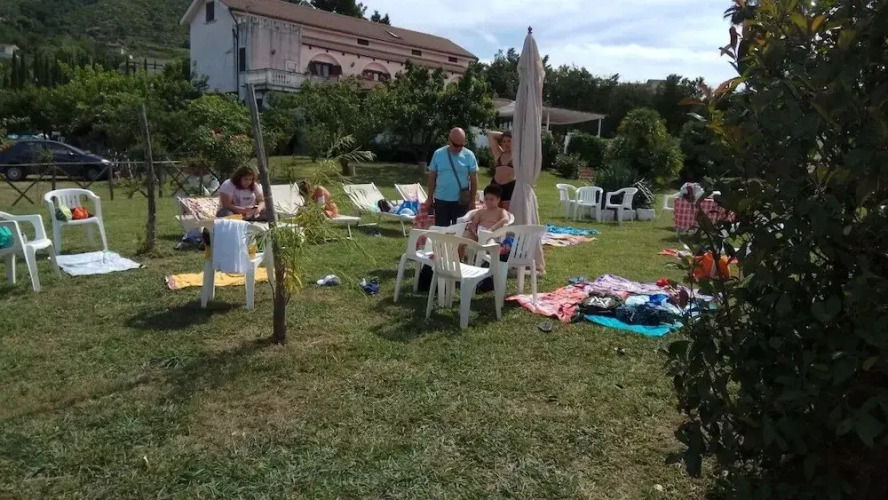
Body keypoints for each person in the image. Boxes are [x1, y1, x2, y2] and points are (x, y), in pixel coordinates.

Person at [424, 127, 478, 227]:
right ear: (449, 140)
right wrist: (429, 198)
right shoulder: (438, 154)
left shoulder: (469, 155)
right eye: (456, 145)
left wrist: (472, 200)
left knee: (459, 231)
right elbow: (432, 177)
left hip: (461, 201)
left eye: (462, 145)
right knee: (441, 230)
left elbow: (474, 180)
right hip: (441, 200)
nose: (459, 148)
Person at [487, 130, 515, 211]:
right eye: (504, 141)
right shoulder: (498, 154)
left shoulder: (517, 156)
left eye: (509, 141)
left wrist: (513, 136)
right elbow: (491, 134)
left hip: (509, 187)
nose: (506, 144)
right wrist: (505, 134)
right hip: (495, 186)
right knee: (493, 212)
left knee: (507, 214)